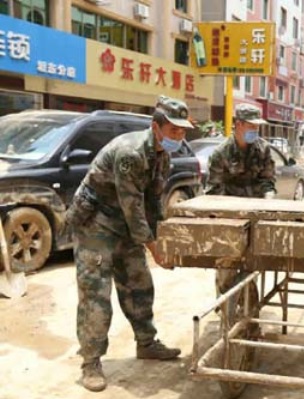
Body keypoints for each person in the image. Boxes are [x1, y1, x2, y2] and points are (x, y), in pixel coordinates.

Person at [67, 95, 189, 392]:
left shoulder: (162, 156)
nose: (179, 136)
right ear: (156, 127)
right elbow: (133, 207)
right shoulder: (131, 153)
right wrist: (155, 248)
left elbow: (153, 202)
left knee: (139, 284)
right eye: (174, 130)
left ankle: (146, 342)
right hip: (96, 224)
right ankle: (91, 362)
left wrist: (164, 237)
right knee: (96, 295)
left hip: (124, 224)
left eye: (183, 131)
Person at [205, 104, 276, 295]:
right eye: (251, 126)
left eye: (257, 127)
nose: (255, 130)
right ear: (238, 124)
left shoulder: (263, 150)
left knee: (250, 267)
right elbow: (213, 191)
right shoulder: (221, 153)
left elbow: (268, 183)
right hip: (228, 219)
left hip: (255, 218)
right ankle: (226, 312)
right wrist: (230, 214)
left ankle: (249, 315)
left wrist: (268, 202)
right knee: (226, 267)